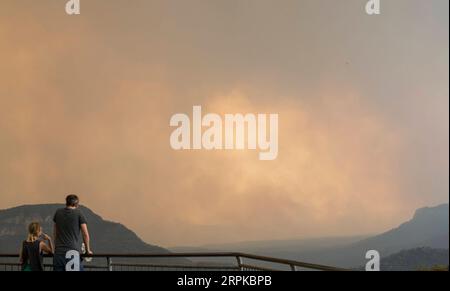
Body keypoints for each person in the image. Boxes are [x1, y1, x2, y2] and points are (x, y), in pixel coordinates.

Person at [53, 194, 93, 271]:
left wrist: (56, 247)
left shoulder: (58, 213)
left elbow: (55, 233)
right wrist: (88, 251)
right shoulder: (78, 213)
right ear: (76, 204)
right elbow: (85, 234)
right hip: (72, 253)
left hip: (58, 253)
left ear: (66, 202)